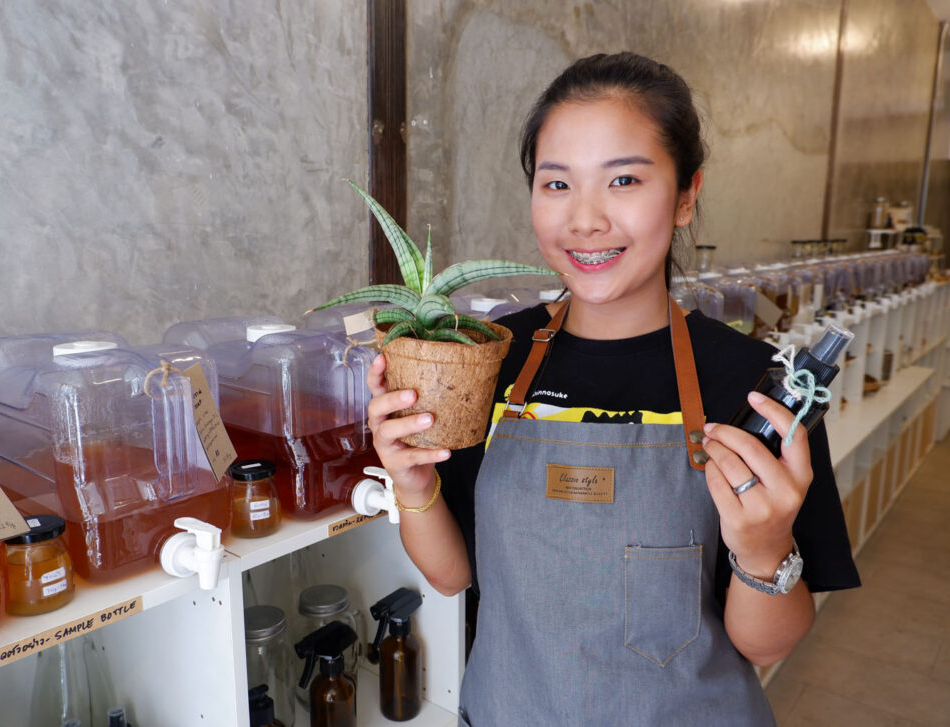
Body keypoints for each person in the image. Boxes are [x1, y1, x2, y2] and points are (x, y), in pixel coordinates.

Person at [366, 52, 859, 725]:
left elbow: (767, 640)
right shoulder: (490, 360)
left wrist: (766, 546)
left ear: (686, 196)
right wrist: (414, 485)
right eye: (557, 183)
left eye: (623, 179)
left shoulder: (757, 385)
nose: (585, 219)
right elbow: (454, 575)